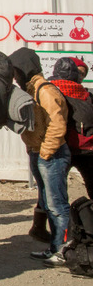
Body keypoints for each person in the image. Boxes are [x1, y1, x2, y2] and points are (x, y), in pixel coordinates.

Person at [9, 48, 70, 267]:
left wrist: (45, 151)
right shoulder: (31, 89)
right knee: (48, 202)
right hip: (39, 153)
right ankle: (55, 247)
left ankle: (64, 250)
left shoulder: (45, 90)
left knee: (57, 205)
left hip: (51, 155)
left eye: (16, 70)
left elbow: (57, 123)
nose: (14, 75)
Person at [49, 57, 92, 199]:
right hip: (78, 148)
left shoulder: (52, 92)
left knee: (54, 194)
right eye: (78, 73)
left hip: (66, 148)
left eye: (83, 74)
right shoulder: (86, 96)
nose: (80, 77)